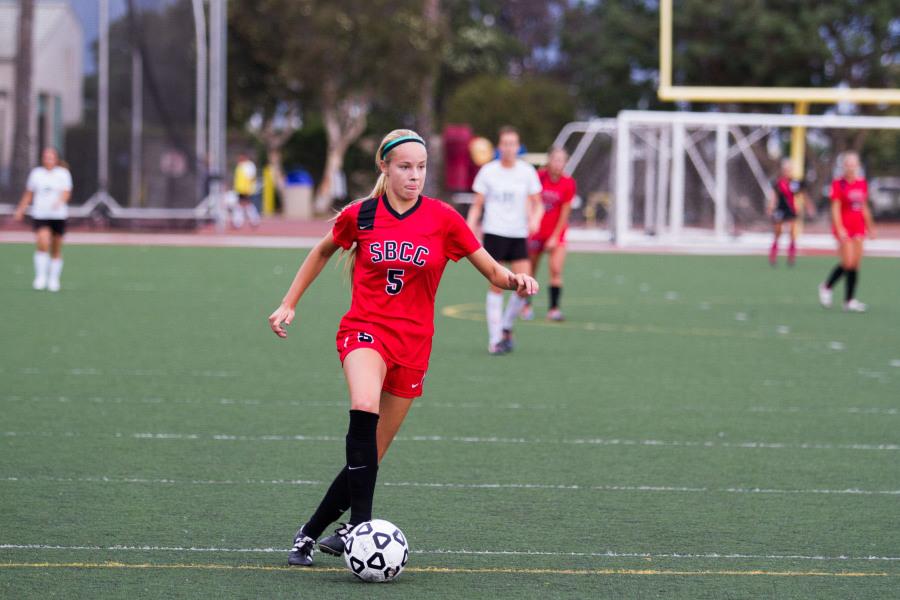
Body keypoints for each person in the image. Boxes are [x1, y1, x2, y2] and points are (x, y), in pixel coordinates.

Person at [267, 129, 538, 567]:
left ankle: (309, 533)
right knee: (363, 402)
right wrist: (288, 303)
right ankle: (362, 525)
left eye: (421, 167)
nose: (414, 176)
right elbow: (321, 251)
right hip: (365, 331)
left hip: (413, 345)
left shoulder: (444, 219)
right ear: (385, 167)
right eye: (405, 167)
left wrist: (516, 280)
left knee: (369, 455)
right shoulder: (362, 215)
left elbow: (491, 270)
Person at [466, 126, 543, 354]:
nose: (509, 148)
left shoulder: (527, 171)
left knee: (525, 286)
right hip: (494, 232)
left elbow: (537, 203)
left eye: (513, 144)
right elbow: (477, 205)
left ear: (518, 147)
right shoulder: (488, 172)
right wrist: (469, 228)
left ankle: (507, 326)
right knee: (496, 286)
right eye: (505, 144)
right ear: (499, 147)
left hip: (518, 234)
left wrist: (535, 219)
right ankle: (495, 339)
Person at [522, 146, 576, 322]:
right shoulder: (538, 178)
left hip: (556, 233)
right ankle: (526, 305)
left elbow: (565, 213)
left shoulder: (568, 183)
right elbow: (530, 201)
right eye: (555, 159)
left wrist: (555, 236)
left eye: (561, 160)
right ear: (549, 160)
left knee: (556, 269)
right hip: (536, 232)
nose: (558, 164)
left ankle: (553, 309)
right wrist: (530, 222)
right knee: (530, 270)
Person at [817, 152, 877, 312]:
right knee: (848, 262)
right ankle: (826, 286)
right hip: (845, 227)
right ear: (843, 166)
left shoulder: (862, 183)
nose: (851, 167)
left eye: (853, 164)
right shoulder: (838, 184)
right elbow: (835, 209)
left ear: (858, 166)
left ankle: (849, 301)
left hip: (858, 227)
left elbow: (864, 207)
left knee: (855, 265)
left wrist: (871, 227)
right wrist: (840, 228)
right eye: (848, 164)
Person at [13, 147, 73, 292]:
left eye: (51, 157)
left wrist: (60, 202)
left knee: (56, 248)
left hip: (58, 216)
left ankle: (53, 279)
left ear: (56, 159)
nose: (48, 159)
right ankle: (40, 277)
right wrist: (21, 209)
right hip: (41, 214)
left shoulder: (63, 174)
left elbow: (67, 192)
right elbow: (29, 193)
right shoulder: (36, 174)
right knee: (43, 243)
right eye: (46, 156)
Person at [766, 158, 814, 266]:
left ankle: (791, 257)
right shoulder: (777, 182)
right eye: (785, 169)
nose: (787, 171)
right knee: (778, 232)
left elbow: (804, 196)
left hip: (791, 209)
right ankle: (773, 255)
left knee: (792, 233)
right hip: (780, 209)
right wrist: (770, 207)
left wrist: (809, 207)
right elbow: (773, 197)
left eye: (789, 169)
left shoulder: (796, 183)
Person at [232, 152, 260, 228]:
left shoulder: (248, 166)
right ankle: (240, 222)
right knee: (242, 205)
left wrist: (249, 188)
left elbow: (250, 178)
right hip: (240, 189)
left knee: (245, 205)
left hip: (246, 189)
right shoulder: (240, 165)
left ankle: (252, 220)